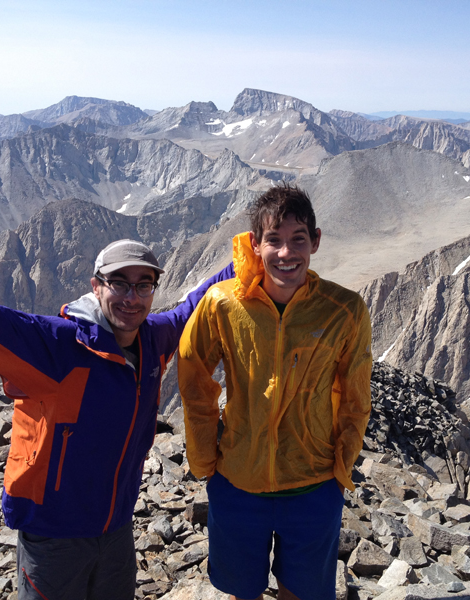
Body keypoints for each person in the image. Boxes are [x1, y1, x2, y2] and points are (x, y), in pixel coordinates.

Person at [0, 186, 234, 600]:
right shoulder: (57, 346)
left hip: (116, 527)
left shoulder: (152, 340)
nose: (132, 297)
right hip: (54, 534)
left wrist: (254, 254)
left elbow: (192, 305)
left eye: (144, 286)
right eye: (119, 284)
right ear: (96, 286)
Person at [178, 184, 373, 600]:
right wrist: (205, 460)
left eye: (298, 239)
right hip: (237, 483)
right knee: (241, 591)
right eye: (274, 240)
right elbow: (194, 379)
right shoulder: (222, 304)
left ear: (315, 241)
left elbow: (356, 396)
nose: (286, 253)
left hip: (313, 485)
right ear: (255, 244)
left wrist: (341, 468)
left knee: (300, 594)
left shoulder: (344, 310)